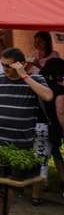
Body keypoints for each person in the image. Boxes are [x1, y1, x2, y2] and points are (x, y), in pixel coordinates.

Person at [0, 48, 53, 215]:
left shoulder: (34, 80)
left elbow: (48, 96)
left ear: (19, 64)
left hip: (19, 144)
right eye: (3, 65)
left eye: (8, 66)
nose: (4, 69)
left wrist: (25, 76)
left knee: (9, 184)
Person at [31, 57, 64, 206]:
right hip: (45, 128)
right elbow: (61, 112)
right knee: (42, 161)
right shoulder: (59, 90)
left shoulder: (34, 84)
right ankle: (36, 195)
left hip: (29, 126)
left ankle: (21, 186)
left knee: (28, 158)